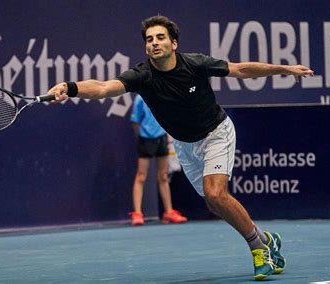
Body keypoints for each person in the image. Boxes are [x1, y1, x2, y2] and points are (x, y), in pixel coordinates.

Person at [48, 15, 314, 280]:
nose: (154, 43)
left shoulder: (195, 63)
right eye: (149, 39)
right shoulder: (142, 76)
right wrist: (69, 88)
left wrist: (285, 69)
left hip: (216, 133)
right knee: (214, 203)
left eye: (160, 37)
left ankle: (259, 249)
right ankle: (267, 239)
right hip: (185, 145)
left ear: (173, 43)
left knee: (215, 193)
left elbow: (241, 70)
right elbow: (104, 87)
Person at [129, 94, 187, 226]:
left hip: (162, 137)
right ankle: (137, 213)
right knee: (141, 176)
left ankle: (168, 212)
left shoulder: (162, 94)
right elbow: (135, 121)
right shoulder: (140, 98)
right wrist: (140, 138)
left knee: (163, 176)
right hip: (145, 139)